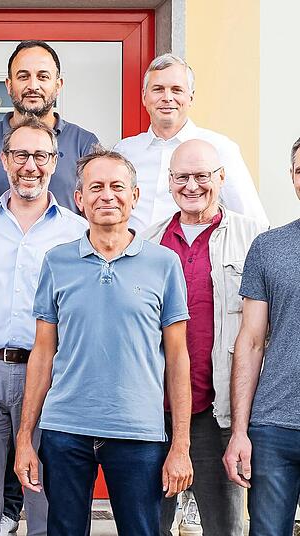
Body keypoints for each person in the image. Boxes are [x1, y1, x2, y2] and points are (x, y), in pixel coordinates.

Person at [15, 149, 193, 534]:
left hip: (138, 432)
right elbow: (43, 352)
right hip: (65, 429)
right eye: (96, 187)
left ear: (135, 196)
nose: (107, 195)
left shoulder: (164, 264)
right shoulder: (57, 262)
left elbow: (178, 358)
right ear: (79, 199)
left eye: (117, 186)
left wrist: (181, 444)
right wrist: (25, 437)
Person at [0, 119, 87, 536]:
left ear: (55, 162)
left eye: (40, 156)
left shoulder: (77, 233)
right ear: (4, 161)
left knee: (49, 499)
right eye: (20, 155)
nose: (30, 166)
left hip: (52, 376)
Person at [142, 139, 264, 536]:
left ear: (221, 178)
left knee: (225, 527)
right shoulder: (147, 242)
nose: (191, 186)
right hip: (154, 412)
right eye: (181, 177)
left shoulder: (254, 238)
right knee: (147, 525)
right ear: (169, 181)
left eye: (202, 176)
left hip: (219, 412)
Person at [222, 136, 300, 535]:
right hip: (274, 429)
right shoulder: (268, 247)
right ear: (292, 176)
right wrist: (239, 431)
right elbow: (250, 342)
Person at [114, 53, 268, 231]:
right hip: (134, 249)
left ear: (191, 97)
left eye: (176, 90)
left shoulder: (219, 148)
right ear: (144, 96)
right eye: (158, 89)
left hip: (198, 248)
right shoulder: (124, 152)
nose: (167, 97)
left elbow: (254, 222)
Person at [0, 40, 99, 219]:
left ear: (58, 85)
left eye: (43, 77)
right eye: (23, 76)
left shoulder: (85, 143)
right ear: (9, 85)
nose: (33, 86)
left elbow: (96, 218)